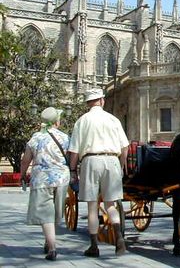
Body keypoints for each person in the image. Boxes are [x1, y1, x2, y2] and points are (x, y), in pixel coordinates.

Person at [68, 88, 129, 257]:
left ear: (88, 103)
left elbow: (74, 151)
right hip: (112, 161)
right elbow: (124, 146)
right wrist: (122, 164)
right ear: (102, 100)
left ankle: (94, 246)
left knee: (92, 206)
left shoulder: (82, 121)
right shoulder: (113, 119)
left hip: (90, 161)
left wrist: (73, 170)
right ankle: (119, 239)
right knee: (111, 204)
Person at [20, 107, 70, 261]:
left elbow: (26, 160)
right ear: (57, 121)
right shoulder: (65, 137)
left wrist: (22, 175)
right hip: (62, 178)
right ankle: (48, 242)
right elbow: (71, 156)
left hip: (41, 179)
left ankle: (52, 247)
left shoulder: (35, 138)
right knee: (55, 212)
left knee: (45, 213)